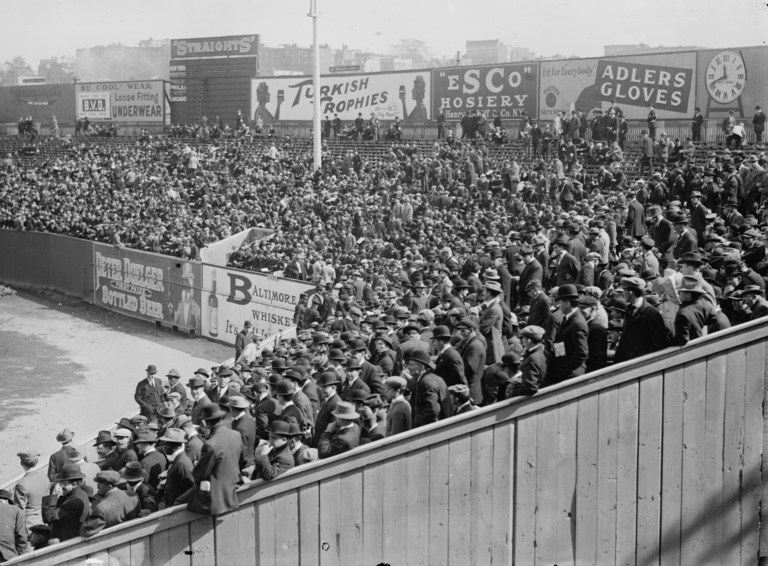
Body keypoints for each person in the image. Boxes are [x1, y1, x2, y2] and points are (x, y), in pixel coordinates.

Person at [188, 404, 243, 515]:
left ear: (206, 423)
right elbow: (241, 459)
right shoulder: (236, 434)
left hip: (218, 498)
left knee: (179, 501)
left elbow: (200, 475)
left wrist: (196, 465)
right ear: (221, 418)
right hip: (234, 487)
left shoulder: (210, 445)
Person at [613, 277, 671, 363]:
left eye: (624, 290)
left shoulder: (651, 313)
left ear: (630, 292)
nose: (623, 294)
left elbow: (658, 344)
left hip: (640, 365)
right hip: (626, 363)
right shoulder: (629, 309)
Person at [544, 284, 589, 386]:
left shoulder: (577, 322)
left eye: (561, 302)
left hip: (571, 375)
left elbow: (582, 354)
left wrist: (564, 367)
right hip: (563, 370)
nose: (559, 306)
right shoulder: (568, 318)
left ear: (568, 303)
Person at [80, 471, 140, 537]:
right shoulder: (132, 495)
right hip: (136, 535)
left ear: (109, 486)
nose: (97, 486)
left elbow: (87, 531)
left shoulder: (101, 508)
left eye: (100, 484)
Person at [406, 350, 450, 428]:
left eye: (411, 365)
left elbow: (432, 411)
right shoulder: (431, 378)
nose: (408, 368)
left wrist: (418, 424)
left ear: (421, 367)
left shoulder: (426, 383)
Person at [157, 428, 194, 509]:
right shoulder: (177, 461)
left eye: (167, 444)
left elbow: (192, 488)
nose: (164, 447)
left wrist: (178, 503)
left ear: (176, 445)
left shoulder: (182, 463)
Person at [12, 451, 48, 531]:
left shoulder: (22, 484)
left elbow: (19, 510)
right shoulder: (45, 477)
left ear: (22, 463)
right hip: (44, 520)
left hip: (29, 525)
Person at [0, 489, 29, 561]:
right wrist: (23, 557)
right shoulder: (16, 510)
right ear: (7, 501)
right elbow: (22, 537)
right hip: (8, 557)